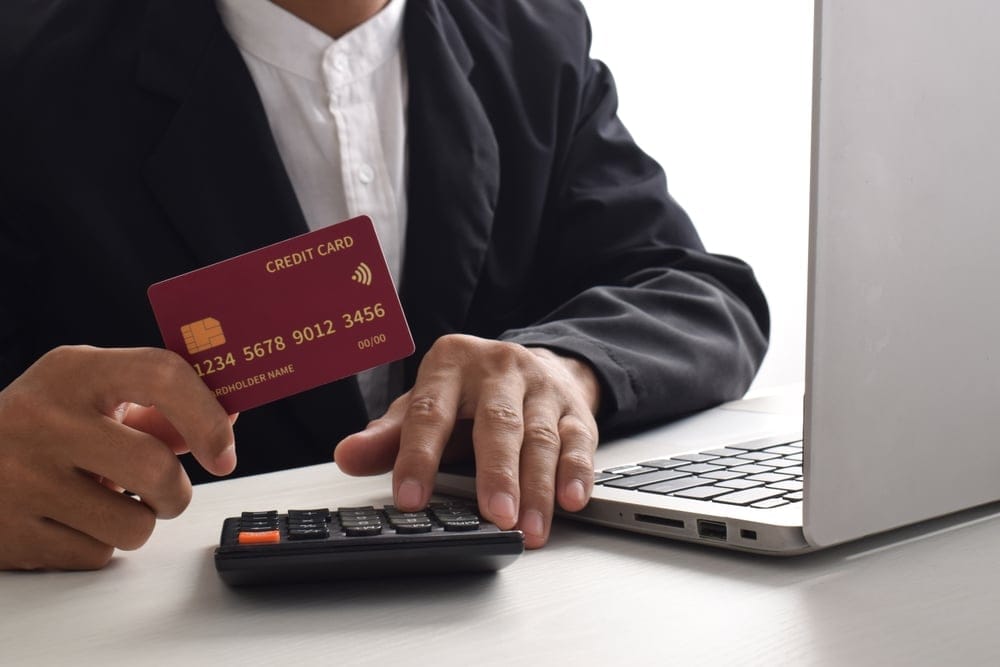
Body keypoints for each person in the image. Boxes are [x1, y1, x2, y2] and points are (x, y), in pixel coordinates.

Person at [0, 0, 769, 569]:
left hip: (499, 608)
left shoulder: (531, 38)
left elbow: (697, 292)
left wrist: (563, 367)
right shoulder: (31, 66)